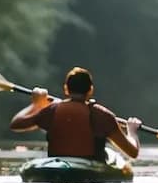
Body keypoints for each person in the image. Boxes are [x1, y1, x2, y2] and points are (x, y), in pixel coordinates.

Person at [9, 66, 142, 160]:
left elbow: (16, 124)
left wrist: (36, 104)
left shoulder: (52, 111)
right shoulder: (102, 115)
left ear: (66, 89)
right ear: (90, 90)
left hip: (58, 165)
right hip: (89, 169)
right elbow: (133, 152)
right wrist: (132, 131)